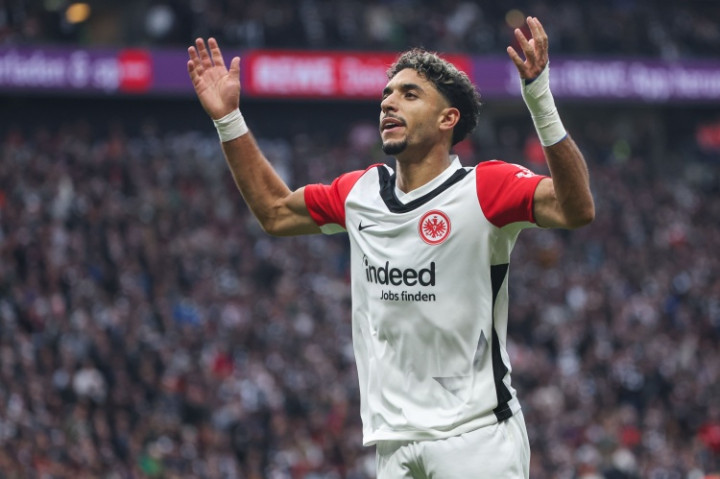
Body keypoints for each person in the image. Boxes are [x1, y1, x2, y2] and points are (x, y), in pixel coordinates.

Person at [187, 16, 594, 478]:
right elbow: (275, 212)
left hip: (475, 437)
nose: (388, 102)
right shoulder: (360, 192)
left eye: (409, 94)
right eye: (387, 94)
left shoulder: (485, 188)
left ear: (447, 119)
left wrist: (539, 99)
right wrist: (228, 119)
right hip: (392, 445)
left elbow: (576, 208)